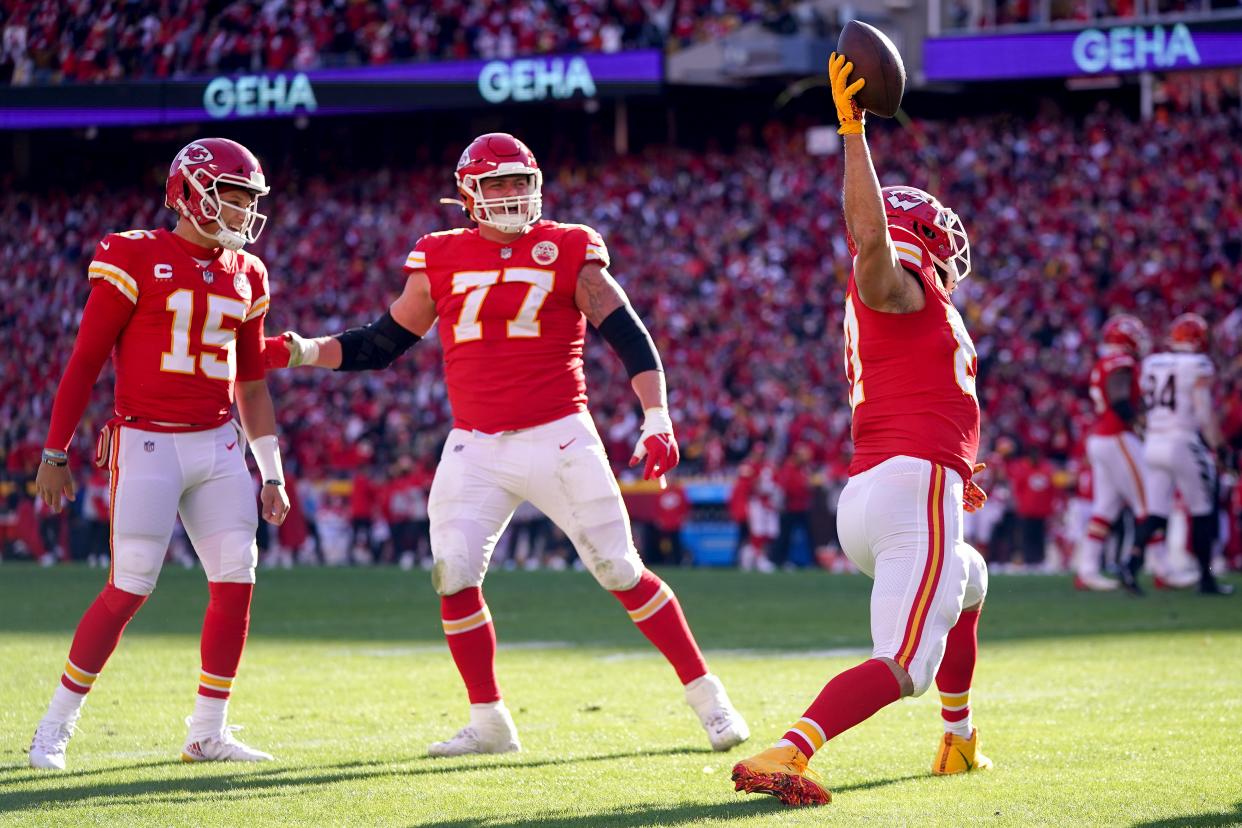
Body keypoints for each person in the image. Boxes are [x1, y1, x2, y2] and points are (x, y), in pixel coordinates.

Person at [264, 132, 748, 755]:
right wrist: (304, 351)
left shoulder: (569, 245)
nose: (512, 194)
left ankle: (709, 699)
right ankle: (489, 721)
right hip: (475, 447)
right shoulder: (437, 255)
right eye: (497, 184)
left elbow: (627, 331)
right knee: (454, 573)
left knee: (621, 568)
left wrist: (656, 414)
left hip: (559, 436)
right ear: (468, 192)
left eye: (520, 181)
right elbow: (382, 343)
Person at [731, 54, 991, 807]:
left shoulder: (916, 308)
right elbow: (873, 252)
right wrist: (854, 132)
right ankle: (788, 750)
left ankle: (960, 739)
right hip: (912, 489)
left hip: (878, 492)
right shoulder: (898, 287)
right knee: (904, 665)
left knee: (974, 583)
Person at [28, 138, 290, 771]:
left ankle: (207, 732)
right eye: (231, 196)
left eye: (248, 200)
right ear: (189, 194)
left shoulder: (248, 273)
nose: (241, 212)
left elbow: (251, 382)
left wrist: (271, 470)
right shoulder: (133, 254)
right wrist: (54, 452)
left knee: (237, 577)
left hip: (220, 442)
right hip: (146, 440)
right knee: (129, 585)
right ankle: (54, 726)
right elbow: (87, 359)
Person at [1124, 313, 1231, 595]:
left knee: (1156, 512)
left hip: (1154, 442)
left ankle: (1130, 564)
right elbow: (1203, 412)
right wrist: (1218, 446)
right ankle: (1206, 579)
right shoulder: (1197, 364)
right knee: (1202, 511)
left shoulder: (1152, 363)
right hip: (1183, 440)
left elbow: (1144, 407)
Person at [1074, 314, 1150, 592]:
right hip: (1117, 435)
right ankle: (1162, 566)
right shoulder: (1121, 362)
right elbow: (1119, 400)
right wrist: (1141, 424)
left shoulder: (1105, 361)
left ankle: (1087, 570)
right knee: (1148, 503)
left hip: (1102, 437)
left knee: (1105, 508)